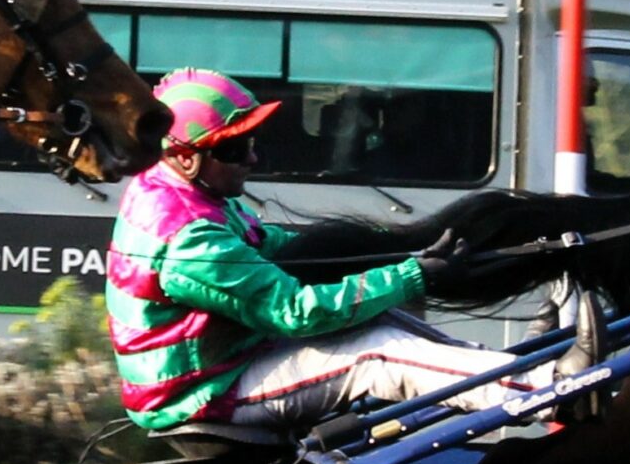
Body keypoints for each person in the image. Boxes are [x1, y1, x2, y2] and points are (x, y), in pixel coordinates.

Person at [106, 68, 542, 435]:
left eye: (254, 142)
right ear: (185, 158)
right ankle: (544, 393)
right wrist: (410, 275)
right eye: (235, 148)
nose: (252, 159)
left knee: (382, 317)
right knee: (378, 354)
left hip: (224, 365)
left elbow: (274, 248)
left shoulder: (185, 193)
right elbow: (297, 311)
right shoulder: (189, 238)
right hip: (203, 396)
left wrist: (381, 249)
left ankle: (513, 371)